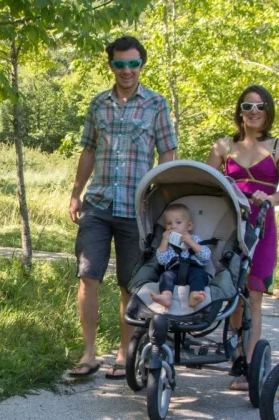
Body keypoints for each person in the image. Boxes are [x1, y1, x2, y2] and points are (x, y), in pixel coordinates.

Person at [68, 36, 177, 379]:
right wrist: (75, 193)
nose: (126, 70)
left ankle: (123, 353)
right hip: (98, 203)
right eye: (119, 64)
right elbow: (87, 150)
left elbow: (168, 153)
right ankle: (88, 354)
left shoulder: (157, 104)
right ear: (111, 65)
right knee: (88, 277)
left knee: (129, 283)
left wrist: (163, 201)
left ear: (142, 65)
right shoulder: (98, 104)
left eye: (133, 63)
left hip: (137, 207)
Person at [205, 85, 279, 391]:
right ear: (239, 111)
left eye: (260, 106)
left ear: (268, 110)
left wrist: (268, 197)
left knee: (253, 295)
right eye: (247, 106)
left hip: (261, 223)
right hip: (229, 224)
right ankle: (236, 348)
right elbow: (207, 182)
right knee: (232, 292)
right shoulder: (222, 146)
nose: (254, 112)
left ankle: (247, 362)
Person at [149, 204, 211, 310]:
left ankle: (194, 295)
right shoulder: (167, 243)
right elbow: (161, 260)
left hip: (194, 269)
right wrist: (164, 241)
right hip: (174, 271)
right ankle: (166, 296)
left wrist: (191, 243)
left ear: (189, 226)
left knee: (200, 275)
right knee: (165, 276)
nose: (173, 226)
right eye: (169, 223)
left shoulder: (195, 239)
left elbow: (206, 256)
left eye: (178, 222)